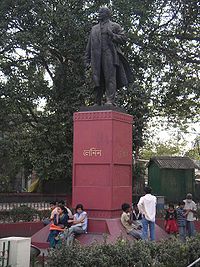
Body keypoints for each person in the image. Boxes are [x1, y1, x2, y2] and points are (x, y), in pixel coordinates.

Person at [85, 7, 132, 106]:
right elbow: (89, 45)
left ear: (107, 14)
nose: (99, 14)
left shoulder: (115, 26)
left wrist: (113, 35)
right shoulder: (94, 29)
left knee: (110, 77)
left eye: (101, 12)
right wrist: (87, 60)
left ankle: (110, 100)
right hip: (96, 57)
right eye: (99, 12)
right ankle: (97, 101)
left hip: (109, 54)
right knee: (97, 79)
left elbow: (124, 38)